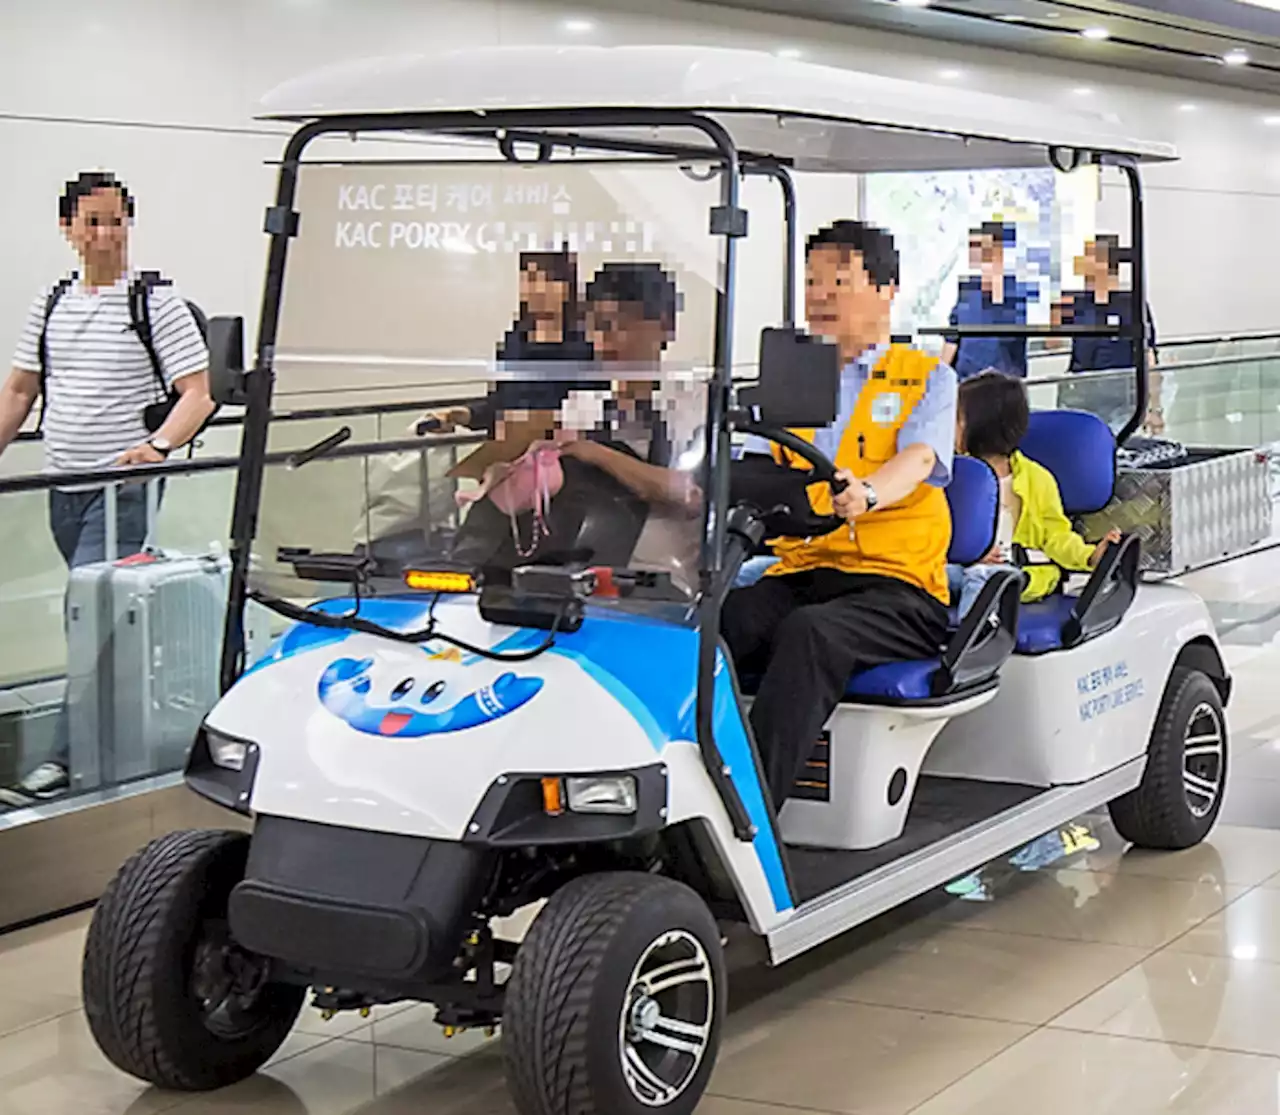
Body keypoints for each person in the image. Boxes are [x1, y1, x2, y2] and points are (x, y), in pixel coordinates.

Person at [724, 220, 958, 811]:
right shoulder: (790, 379)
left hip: (897, 587)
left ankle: (750, 821)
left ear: (886, 289)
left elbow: (920, 457)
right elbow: (753, 464)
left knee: (811, 634)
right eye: (810, 282)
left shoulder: (926, 376)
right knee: (722, 620)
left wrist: (870, 493)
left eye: (838, 281)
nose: (819, 295)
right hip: (805, 569)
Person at [0, 170, 212, 805]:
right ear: (68, 229)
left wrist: (158, 447)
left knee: (87, 618)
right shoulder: (53, 302)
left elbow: (198, 394)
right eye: (92, 222)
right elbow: (19, 391)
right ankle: (113, 741)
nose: (106, 234)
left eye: (116, 220)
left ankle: (64, 760)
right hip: (63, 484)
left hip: (122, 491)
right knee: (96, 620)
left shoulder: (156, 303)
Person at [947, 371, 1120, 619]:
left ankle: (972, 645)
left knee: (984, 579)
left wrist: (1090, 556)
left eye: (957, 420)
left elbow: (1057, 537)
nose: (949, 428)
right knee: (922, 575)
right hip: (962, 568)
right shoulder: (955, 474)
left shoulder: (1037, 481)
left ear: (982, 427)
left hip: (1020, 571)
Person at [422, 250, 598, 436]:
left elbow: (590, 413)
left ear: (568, 286)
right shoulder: (515, 339)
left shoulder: (588, 341)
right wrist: (458, 415)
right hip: (512, 450)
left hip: (565, 452)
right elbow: (499, 406)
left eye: (550, 280)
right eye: (530, 279)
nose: (539, 289)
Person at [1050, 235, 1160, 433]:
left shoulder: (1132, 304)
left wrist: (1154, 407)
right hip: (1081, 401)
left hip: (1122, 405)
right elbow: (1052, 341)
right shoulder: (1078, 303)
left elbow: (1148, 358)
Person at [941, 221, 1033, 382]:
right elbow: (952, 340)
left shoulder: (1015, 294)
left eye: (988, 254)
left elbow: (1012, 342)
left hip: (1000, 386)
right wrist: (938, 379)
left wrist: (996, 286)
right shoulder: (968, 291)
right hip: (964, 383)